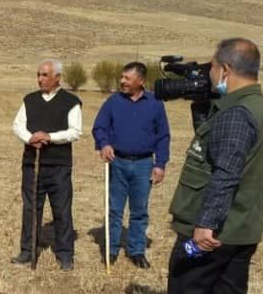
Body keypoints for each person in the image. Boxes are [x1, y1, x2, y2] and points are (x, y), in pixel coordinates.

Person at [151, 38, 263, 294]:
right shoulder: (254, 107)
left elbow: (225, 173)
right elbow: (215, 147)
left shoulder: (238, 114)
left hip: (209, 235)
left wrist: (205, 225)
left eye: (212, 68)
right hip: (240, 232)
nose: (208, 75)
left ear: (227, 69)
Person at [92, 61, 171, 268]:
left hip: (144, 164)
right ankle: (111, 250)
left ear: (141, 81)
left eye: (127, 78)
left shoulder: (155, 103)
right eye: (122, 77)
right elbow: (99, 127)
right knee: (114, 210)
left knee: (139, 211)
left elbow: (163, 136)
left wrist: (160, 164)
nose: (122, 81)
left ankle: (136, 251)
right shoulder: (113, 102)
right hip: (117, 162)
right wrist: (104, 144)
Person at [11, 59, 82, 270]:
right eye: (38, 74)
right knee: (31, 208)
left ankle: (65, 254)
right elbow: (17, 125)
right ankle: (27, 250)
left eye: (44, 75)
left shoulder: (71, 101)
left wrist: (49, 137)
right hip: (32, 163)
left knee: (62, 210)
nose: (40, 79)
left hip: (58, 165)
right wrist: (30, 138)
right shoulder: (30, 100)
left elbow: (75, 131)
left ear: (57, 77)